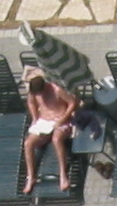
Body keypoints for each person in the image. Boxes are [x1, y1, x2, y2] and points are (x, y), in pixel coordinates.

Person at [21, 67, 79, 195]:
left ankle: (63, 174)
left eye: (40, 93)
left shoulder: (56, 89)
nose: (39, 96)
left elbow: (72, 103)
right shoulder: (34, 91)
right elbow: (31, 103)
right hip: (44, 121)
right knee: (28, 144)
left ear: (45, 86)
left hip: (60, 119)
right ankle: (31, 176)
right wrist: (35, 117)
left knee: (56, 140)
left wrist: (63, 119)